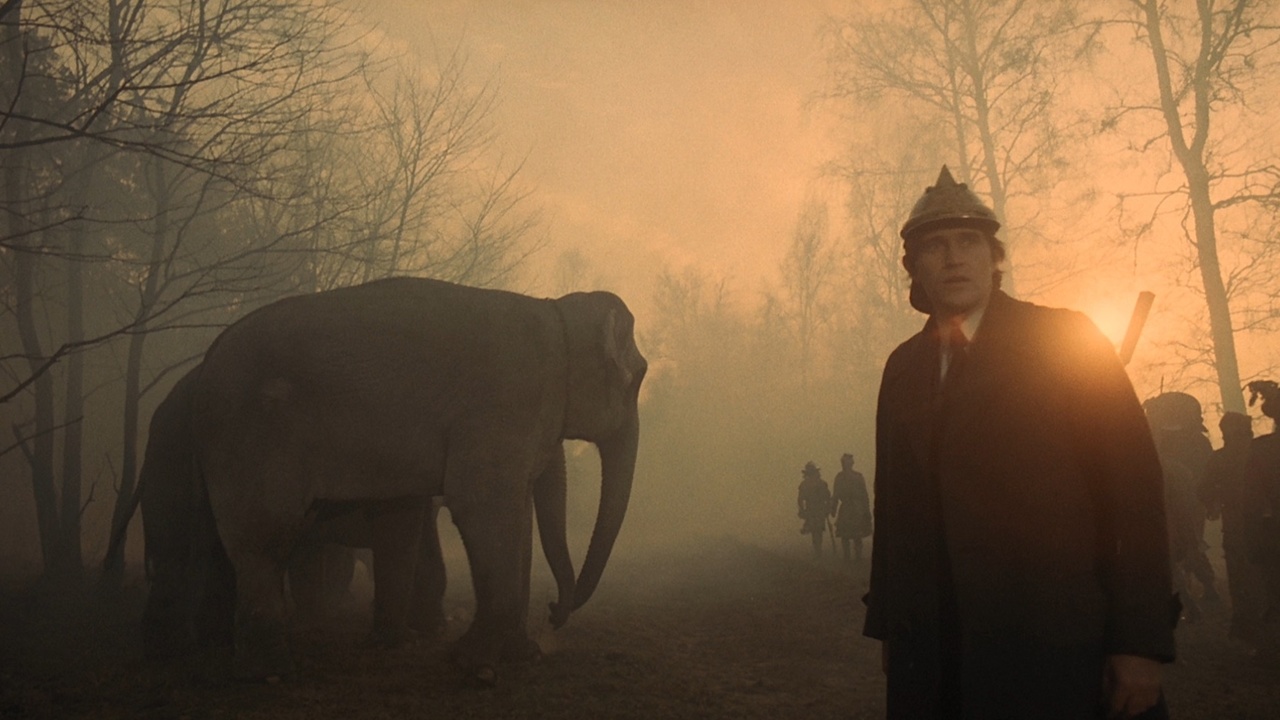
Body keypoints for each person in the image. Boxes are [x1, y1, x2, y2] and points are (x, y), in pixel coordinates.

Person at [863, 166, 1176, 719]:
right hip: (933, 652)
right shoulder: (902, 368)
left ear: (994, 258)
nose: (954, 258)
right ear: (913, 269)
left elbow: (1135, 498)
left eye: (969, 243)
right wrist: (893, 627)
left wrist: (1140, 642)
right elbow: (894, 509)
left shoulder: (1064, 339)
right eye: (935, 247)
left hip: (1054, 645)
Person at [1143, 392, 1218, 622]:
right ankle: (1202, 587)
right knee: (1189, 541)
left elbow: (1208, 470)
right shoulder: (1192, 442)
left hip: (1188, 498)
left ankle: (1195, 590)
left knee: (1183, 543)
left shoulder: (1155, 443)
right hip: (1188, 499)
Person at [1200, 411, 1264, 643]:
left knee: (1239, 576)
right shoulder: (1264, 453)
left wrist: (1215, 502)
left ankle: (1246, 625)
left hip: (1237, 524)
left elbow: (1204, 489)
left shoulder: (1221, 458)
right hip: (1268, 523)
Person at [1243, 380, 1280, 666]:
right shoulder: (1262, 450)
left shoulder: (1262, 450)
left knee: (1273, 589)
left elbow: (1253, 499)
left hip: (1272, 532)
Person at [830, 453, 872, 563]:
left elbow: (864, 494)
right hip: (847, 507)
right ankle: (847, 556)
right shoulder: (840, 477)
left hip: (857, 508)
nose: (846, 465)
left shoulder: (858, 476)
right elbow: (836, 494)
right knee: (845, 534)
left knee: (856, 534)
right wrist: (833, 508)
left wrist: (866, 510)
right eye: (845, 463)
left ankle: (857, 556)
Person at [797, 461, 831, 559]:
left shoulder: (820, 484)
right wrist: (802, 509)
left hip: (817, 510)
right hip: (813, 510)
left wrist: (827, 508)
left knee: (817, 530)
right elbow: (800, 499)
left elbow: (827, 497)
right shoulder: (806, 484)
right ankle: (818, 550)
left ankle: (818, 550)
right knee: (816, 530)